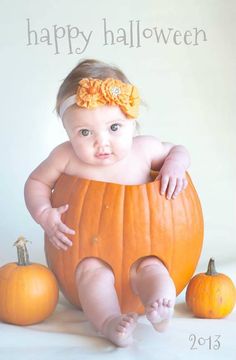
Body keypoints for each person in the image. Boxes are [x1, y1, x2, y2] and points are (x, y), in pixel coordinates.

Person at [24, 59, 190, 347]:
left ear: (132, 121)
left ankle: (161, 305)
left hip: (146, 244)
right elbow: (36, 183)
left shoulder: (144, 149)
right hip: (88, 249)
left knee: (153, 269)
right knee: (90, 276)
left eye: (114, 127)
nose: (102, 142)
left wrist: (175, 164)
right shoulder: (65, 157)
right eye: (85, 133)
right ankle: (109, 322)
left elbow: (178, 149)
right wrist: (44, 213)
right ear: (68, 132)